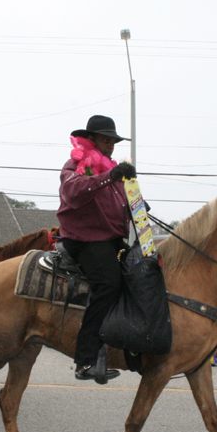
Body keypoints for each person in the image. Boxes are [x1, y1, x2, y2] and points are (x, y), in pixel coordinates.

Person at [57, 115, 136, 385]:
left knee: (139, 272)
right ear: (90, 140)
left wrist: (138, 205)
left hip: (110, 239)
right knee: (108, 284)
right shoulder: (77, 164)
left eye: (113, 141)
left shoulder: (112, 170)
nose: (111, 145)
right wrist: (109, 176)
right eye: (105, 140)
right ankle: (86, 360)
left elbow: (122, 206)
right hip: (85, 238)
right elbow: (72, 191)